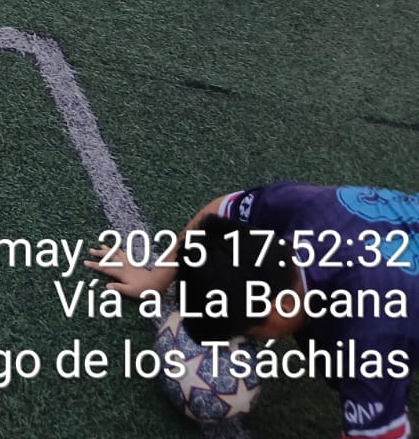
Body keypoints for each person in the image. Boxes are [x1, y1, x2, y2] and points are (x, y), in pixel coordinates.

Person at [88, 183, 419, 439]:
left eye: (247, 333)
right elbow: (217, 216)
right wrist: (156, 278)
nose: (243, 343)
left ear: (284, 306)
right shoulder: (302, 208)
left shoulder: (366, 339)